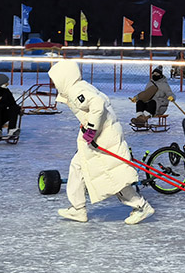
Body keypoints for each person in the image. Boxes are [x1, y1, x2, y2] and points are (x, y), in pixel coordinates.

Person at [48, 59, 154, 224]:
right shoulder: (80, 87)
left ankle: (141, 206)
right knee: (78, 167)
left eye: (55, 81)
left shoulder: (77, 91)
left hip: (103, 139)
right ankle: (78, 209)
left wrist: (91, 129)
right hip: (101, 136)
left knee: (113, 175)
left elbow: (98, 105)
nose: (54, 85)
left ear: (64, 78)